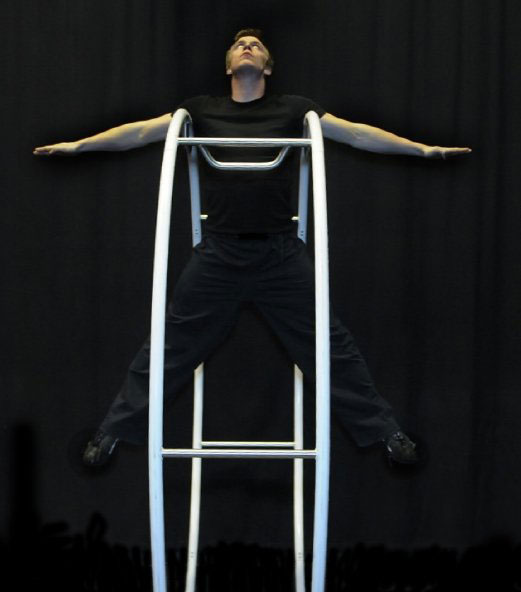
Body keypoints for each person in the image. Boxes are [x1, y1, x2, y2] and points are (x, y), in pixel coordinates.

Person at [34, 29, 471, 468]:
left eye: (257, 45)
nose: (248, 46)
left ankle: (386, 433)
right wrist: (80, 145)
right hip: (219, 254)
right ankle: (111, 432)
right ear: (229, 65)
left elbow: (355, 134)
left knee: (330, 346)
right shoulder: (200, 110)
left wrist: (421, 149)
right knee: (168, 347)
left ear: (267, 67)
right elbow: (142, 132)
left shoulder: (295, 109)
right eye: (239, 44)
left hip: (280, 255)